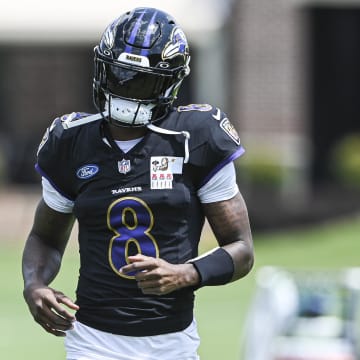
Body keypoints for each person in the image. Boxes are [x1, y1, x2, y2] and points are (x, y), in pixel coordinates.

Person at [22, 7, 254, 360]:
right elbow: (45, 237)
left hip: (172, 343)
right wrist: (34, 284)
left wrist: (188, 273)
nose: (126, 88)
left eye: (141, 80)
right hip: (93, 341)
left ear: (169, 82)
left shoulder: (196, 136)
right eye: (118, 74)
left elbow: (241, 249)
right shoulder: (71, 140)